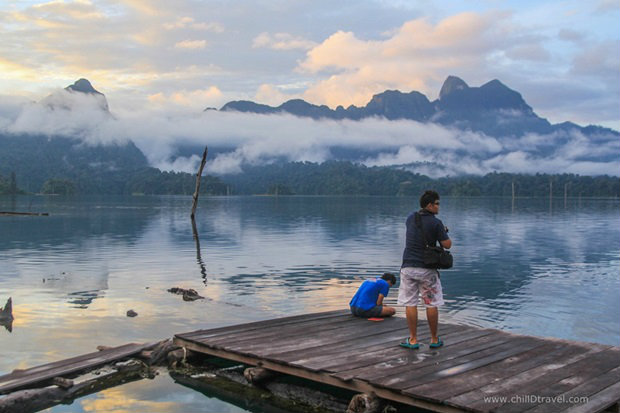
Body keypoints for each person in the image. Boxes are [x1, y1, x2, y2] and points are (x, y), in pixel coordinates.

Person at [398, 190, 451, 349]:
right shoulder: (436, 223)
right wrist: (443, 231)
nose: (439, 207)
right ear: (429, 205)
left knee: (410, 304)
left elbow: (417, 232)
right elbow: (447, 244)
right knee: (431, 304)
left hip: (408, 267)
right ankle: (434, 339)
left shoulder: (410, 218)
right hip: (427, 269)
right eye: (437, 203)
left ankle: (413, 340)